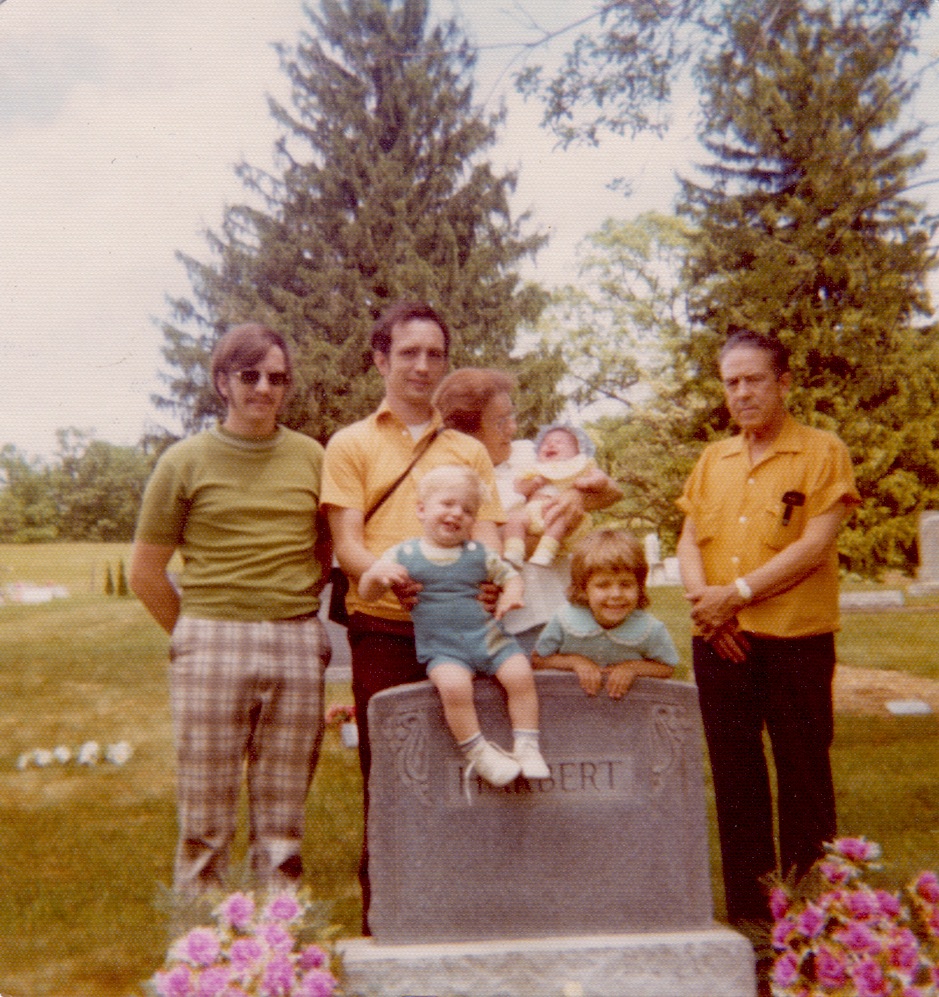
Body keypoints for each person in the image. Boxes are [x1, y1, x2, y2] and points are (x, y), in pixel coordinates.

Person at [129, 322, 332, 897]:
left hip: (296, 639)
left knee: (283, 818)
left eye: (277, 378)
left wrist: (289, 601)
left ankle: (278, 933)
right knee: (205, 815)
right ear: (223, 382)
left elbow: (324, 548)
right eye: (250, 375)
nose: (264, 388)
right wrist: (195, 636)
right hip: (212, 639)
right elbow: (146, 573)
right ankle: (203, 939)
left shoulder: (312, 457)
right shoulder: (184, 461)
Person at [320, 301, 502, 927]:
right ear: (381, 360)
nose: (422, 366)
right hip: (385, 631)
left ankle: (465, 911)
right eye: (408, 353)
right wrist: (384, 574)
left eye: (434, 355)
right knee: (392, 774)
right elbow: (346, 545)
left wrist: (491, 580)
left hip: (461, 631)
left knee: (466, 764)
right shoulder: (350, 444)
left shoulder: (468, 451)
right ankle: (389, 919)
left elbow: (491, 532)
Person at [675, 329, 860, 927]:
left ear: (784, 382)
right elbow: (688, 541)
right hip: (721, 642)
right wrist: (708, 609)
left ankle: (812, 925)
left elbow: (814, 546)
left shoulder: (822, 451)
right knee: (737, 786)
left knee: (804, 782)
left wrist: (736, 596)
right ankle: (753, 926)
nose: (742, 393)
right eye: (731, 383)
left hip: (795, 643)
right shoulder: (714, 459)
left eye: (754, 380)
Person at [359, 464, 550, 786]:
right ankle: (478, 752)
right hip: (444, 650)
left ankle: (528, 745)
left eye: (467, 510)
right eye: (447, 504)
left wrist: (511, 594)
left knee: (520, 675)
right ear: (421, 509)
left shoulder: (480, 554)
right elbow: (368, 594)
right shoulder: (404, 554)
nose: (457, 514)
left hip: (490, 640)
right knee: (453, 687)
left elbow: (511, 577)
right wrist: (376, 575)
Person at [432, 368, 622, 653]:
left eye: (511, 417)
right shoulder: (451, 481)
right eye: (500, 422)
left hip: (564, 609)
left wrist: (576, 495)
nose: (512, 428)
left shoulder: (528, 454)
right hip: (510, 623)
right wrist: (551, 533)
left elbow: (613, 491)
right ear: (467, 432)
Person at [532, 529, 678, 698]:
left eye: (626, 584)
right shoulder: (564, 619)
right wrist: (576, 662)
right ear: (583, 588)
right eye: (603, 585)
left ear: (639, 586)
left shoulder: (650, 628)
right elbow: (538, 659)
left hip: (625, 704)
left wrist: (632, 668)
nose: (616, 594)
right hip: (569, 702)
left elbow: (667, 667)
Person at [503, 422, 611, 567]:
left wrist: (588, 483)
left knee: (560, 522)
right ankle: (514, 551)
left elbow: (601, 478)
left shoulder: (579, 467)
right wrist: (534, 483)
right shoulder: (535, 469)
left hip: (560, 512)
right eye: (545, 443)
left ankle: (545, 553)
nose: (550, 445)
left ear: (577, 452)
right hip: (532, 512)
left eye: (559, 442)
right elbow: (519, 488)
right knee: (515, 519)